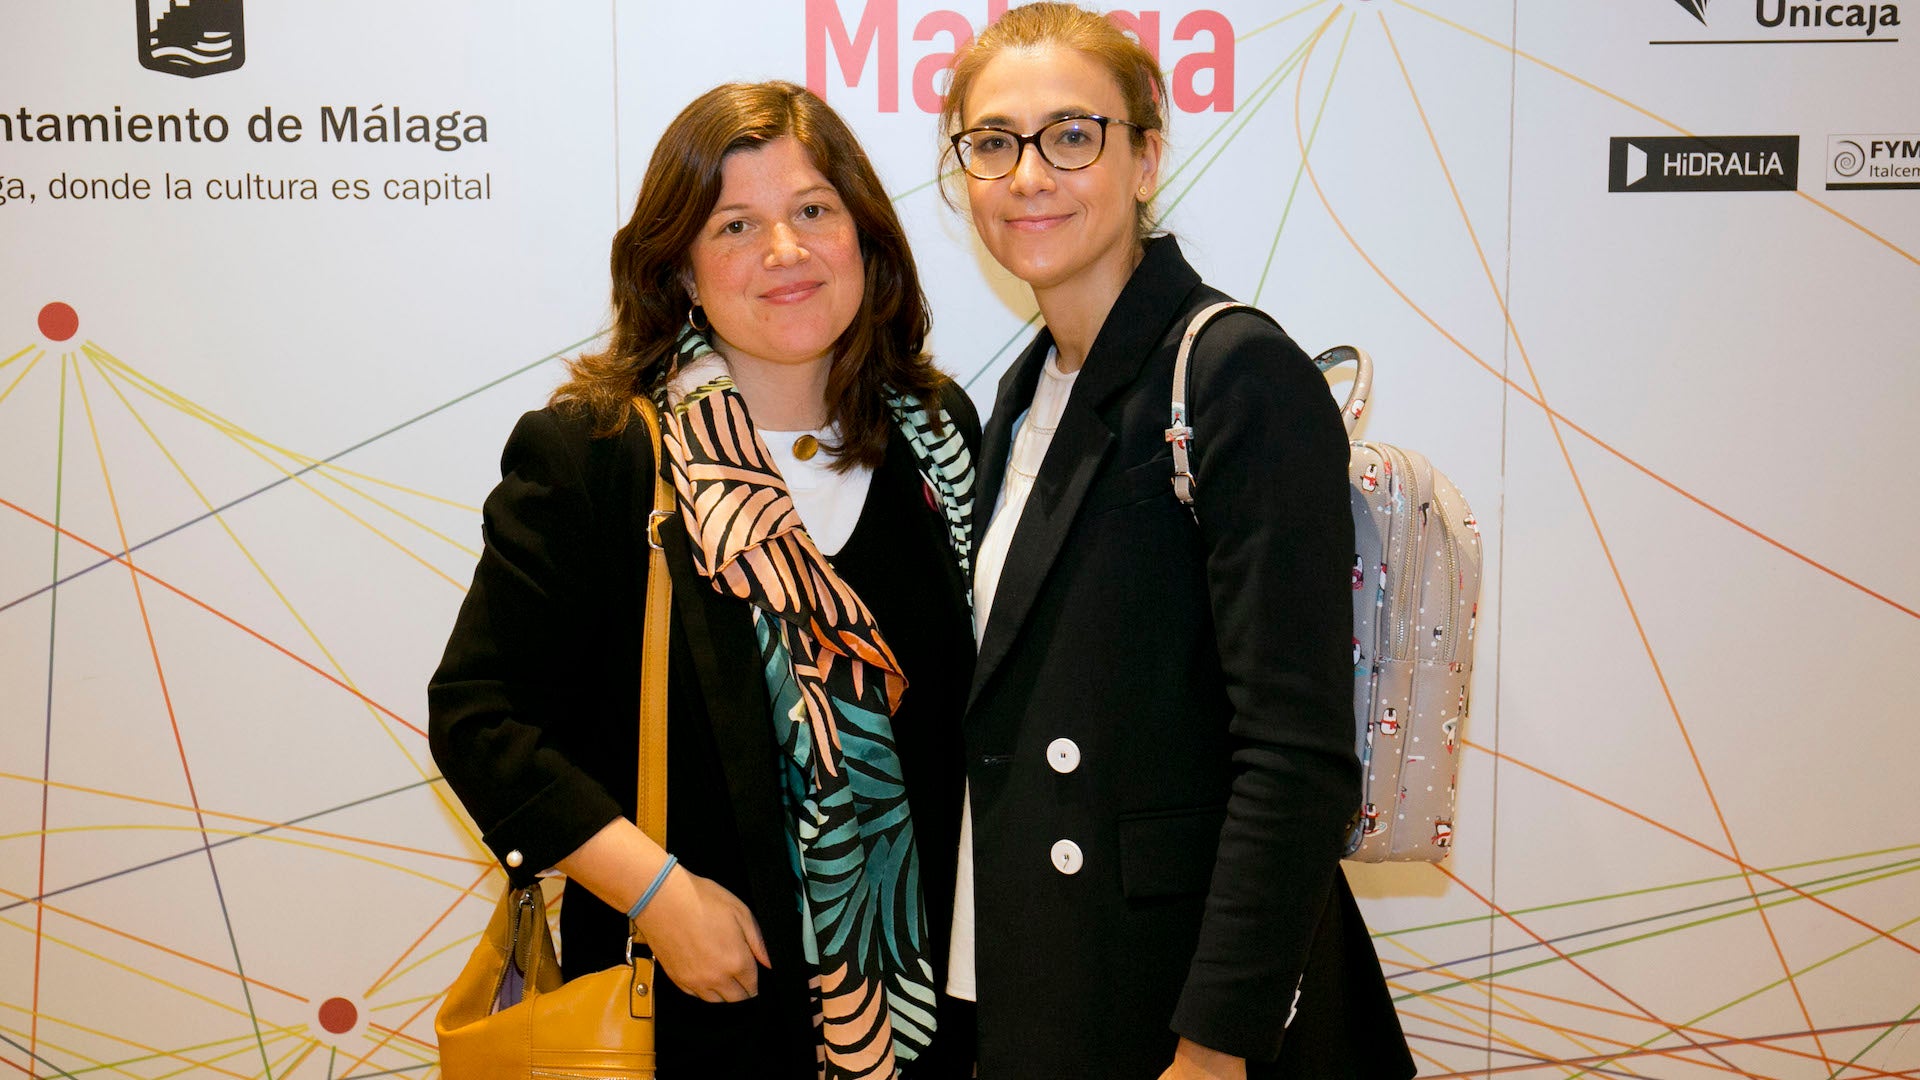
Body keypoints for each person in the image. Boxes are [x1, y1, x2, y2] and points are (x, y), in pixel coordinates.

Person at [430, 81, 980, 1078]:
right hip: (696, 1015)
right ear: (680, 266)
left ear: (865, 237)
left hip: (929, 1015)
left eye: (813, 209)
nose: (786, 249)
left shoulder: (937, 437)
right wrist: (657, 894)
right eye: (736, 225)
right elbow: (480, 718)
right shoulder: (599, 453)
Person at [936, 6, 1416, 1079]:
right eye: (993, 142)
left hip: (1176, 1004)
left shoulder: (1235, 373)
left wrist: (1215, 1045)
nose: (1029, 174)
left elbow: (1295, 752)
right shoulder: (1022, 394)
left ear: (1145, 157)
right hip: (1044, 971)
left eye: (1073, 135)